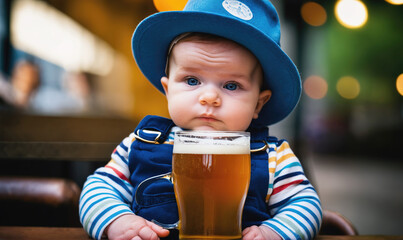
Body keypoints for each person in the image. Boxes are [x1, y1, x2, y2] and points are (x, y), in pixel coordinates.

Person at [79, 0, 322, 240]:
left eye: (231, 85)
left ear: (259, 103)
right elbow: (98, 188)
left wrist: (276, 232)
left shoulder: (274, 157)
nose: (209, 97)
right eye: (192, 81)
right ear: (168, 90)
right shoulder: (142, 142)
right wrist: (117, 221)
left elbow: (306, 204)